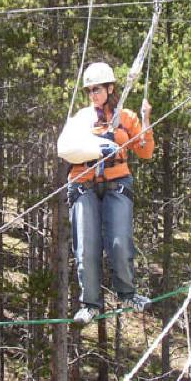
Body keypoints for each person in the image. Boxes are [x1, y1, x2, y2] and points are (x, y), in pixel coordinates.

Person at [57, 62, 155, 324]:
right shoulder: (81, 119)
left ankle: (127, 293)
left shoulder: (126, 118)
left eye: (97, 89)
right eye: (89, 91)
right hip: (83, 183)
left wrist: (146, 120)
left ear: (110, 88)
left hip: (117, 183)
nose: (93, 95)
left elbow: (145, 152)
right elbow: (66, 146)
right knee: (86, 249)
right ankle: (89, 304)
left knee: (119, 243)